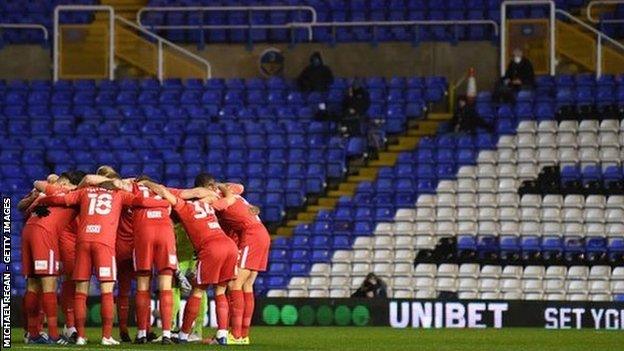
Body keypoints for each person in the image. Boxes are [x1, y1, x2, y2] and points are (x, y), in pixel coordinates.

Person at [38, 180, 169, 345]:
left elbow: (59, 200)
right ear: (113, 187)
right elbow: (141, 201)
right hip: (104, 243)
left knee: (80, 292)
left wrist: (41, 201)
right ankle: (106, 336)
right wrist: (165, 203)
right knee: (107, 291)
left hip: (83, 241)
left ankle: (80, 337)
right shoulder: (119, 194)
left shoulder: (84, 192)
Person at [144, 181, 239, 345]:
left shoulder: (184, 207)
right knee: (221, 291)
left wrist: (147, 183)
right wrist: (221, 186)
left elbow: (164, 192)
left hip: (211, 248)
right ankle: (222, 334)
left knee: (197, 291)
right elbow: (230, 199)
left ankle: (183, 335)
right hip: (230, 246)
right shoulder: (209, 205)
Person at [197, 174, 270, 345]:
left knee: (234, 285)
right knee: (246, 285)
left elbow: (223, 202)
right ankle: (243, 335)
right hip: (261, 234)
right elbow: (240, 187)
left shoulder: (218, 200)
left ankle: (235, 335)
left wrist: (216, 194)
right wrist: (223, 187)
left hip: (251, 236)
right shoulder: (230, 190)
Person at [20, 172, 82, 345]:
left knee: (33, 285)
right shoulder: (70, 194)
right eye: (61, 183)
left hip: (29, 231)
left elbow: (24, 205)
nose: (60, 185)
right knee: (49, 285)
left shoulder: (45, 195)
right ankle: (54, 335)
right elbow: (37, 183)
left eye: (62, 183)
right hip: (44, 235)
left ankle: (33, 334)